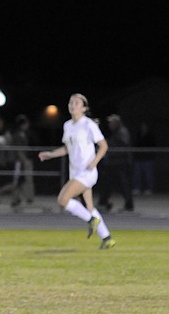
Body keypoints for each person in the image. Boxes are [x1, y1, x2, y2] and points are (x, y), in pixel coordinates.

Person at [38, 93, 116, 249]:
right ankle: (107, 238)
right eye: (71, 102)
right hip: (75, 172)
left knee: (63, 199)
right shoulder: (68, 125)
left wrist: (94, 162)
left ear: (84, 108)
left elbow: (103, 145)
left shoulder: (88, 124)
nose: (72, 105)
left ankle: (91, 221)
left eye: (76, 103)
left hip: (87, 172)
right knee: (89, 207)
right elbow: (68, 148)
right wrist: (51, 154)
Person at [97, 114, 133, 212]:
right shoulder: (116, 132)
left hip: (121, 162)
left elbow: (123, 147)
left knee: (123, 184)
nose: (110, 125)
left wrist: (111, 152)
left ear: (116, 123)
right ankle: (104, 202)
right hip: (113, 163)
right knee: (108, 183)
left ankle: (129, 205)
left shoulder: (122, 131)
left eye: (111, 123)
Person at [132, 121, 155, 196]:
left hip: (147, 158)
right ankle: (137, 189)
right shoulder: (138, 135)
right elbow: (135, 144)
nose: (143, 128)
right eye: (142, 127)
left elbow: (152, 145)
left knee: (148, 175)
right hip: (138, 158)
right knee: (137, 175)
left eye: (144, 127)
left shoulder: (150, 136)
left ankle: (149, 189)